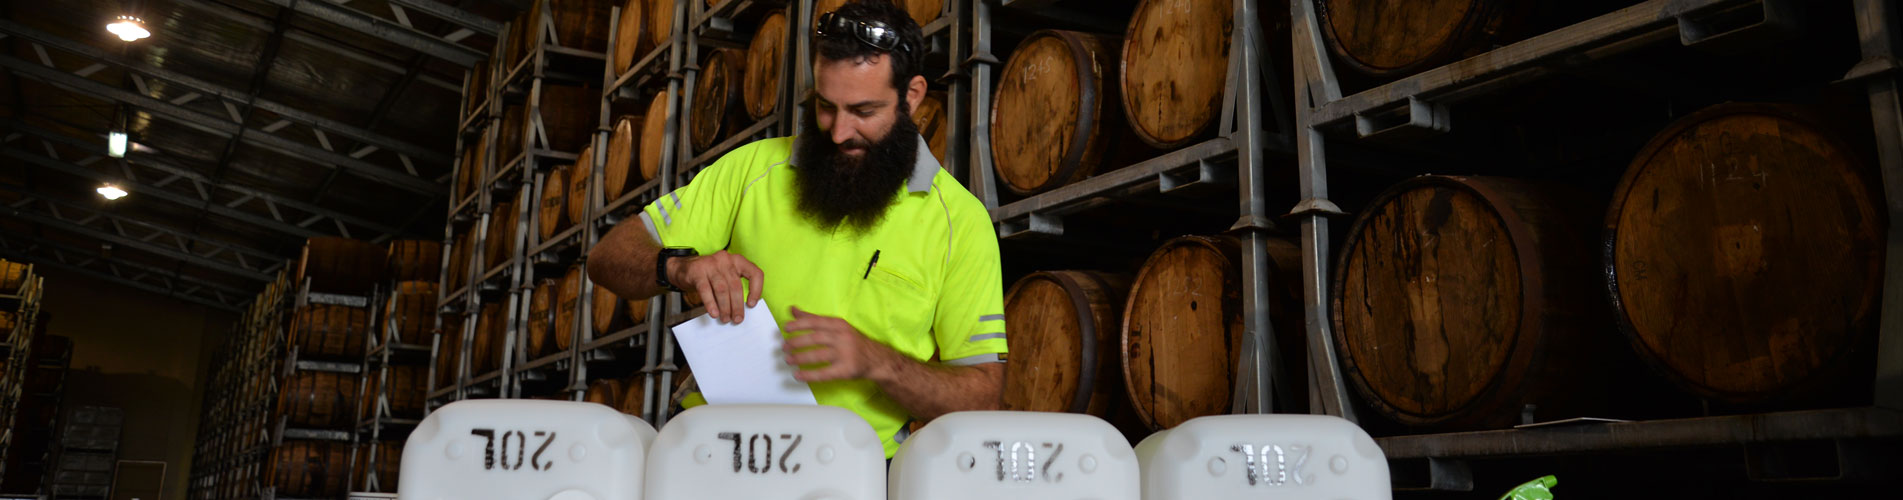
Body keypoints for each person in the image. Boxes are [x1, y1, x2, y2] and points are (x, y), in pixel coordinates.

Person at [586, 0, 1005, 457]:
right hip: (714, 449)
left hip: (853, 469)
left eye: (863, 111)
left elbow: (983, 394)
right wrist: (680, 268)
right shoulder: (752, 168)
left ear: (913, 95)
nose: (840, 131)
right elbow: (606, 258)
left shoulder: (960, 222)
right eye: (826, 107)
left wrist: (877, 362)